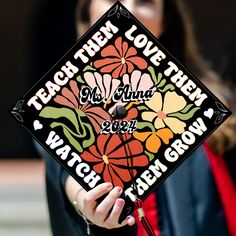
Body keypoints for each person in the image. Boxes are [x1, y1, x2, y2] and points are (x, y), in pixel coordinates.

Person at [31, 0, 236, 236]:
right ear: (87, 13)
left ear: (165, 20)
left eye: (145, 1)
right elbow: (66, 168)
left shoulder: (211, 105)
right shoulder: (64, 105)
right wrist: (87, 202)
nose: (127, 9)